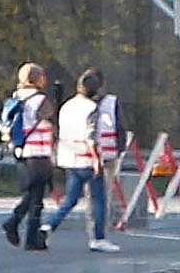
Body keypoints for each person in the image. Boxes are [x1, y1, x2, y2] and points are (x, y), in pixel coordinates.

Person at [42, 67, 124, 253]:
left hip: (70, 159)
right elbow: (91, 137)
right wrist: (97, 160)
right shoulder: (91, 109)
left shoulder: (67, 106)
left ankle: (48, 226)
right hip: (87, 159)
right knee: (99, 200)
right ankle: (99, 238)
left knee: (70, 199)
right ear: (97, 90)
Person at [0, 62, 55, 253]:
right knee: (36, 196)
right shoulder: (40, 99)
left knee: (33, 193)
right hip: (38, 151)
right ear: (37, 78)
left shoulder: (15, 97)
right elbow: (51, 119)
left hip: (20, 150)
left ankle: (19, 227)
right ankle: (24, 232)